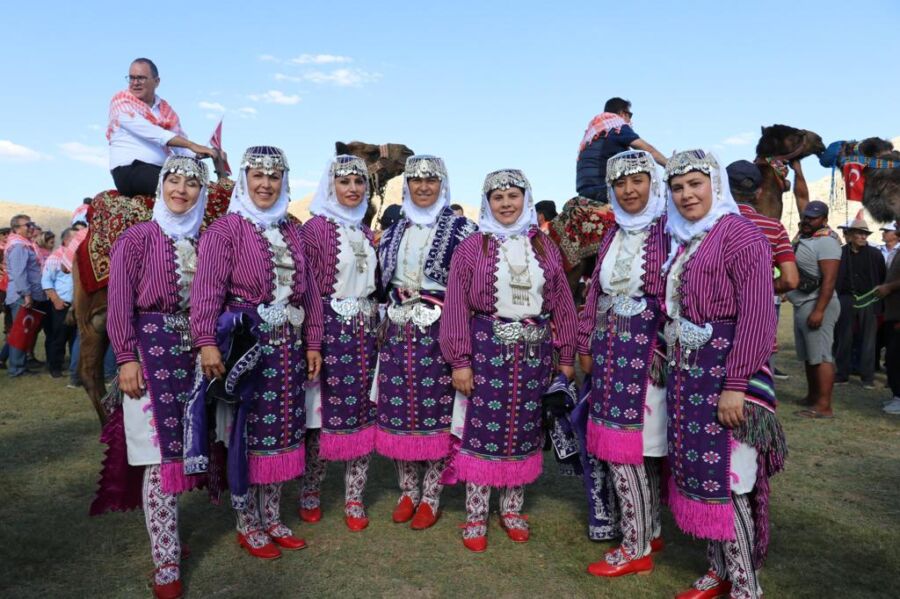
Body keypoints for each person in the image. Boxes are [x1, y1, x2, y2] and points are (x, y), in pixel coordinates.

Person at [662, 150, 785, 599]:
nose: (686, 194)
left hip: (725, 376)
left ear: (716, 184)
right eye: (677, 188)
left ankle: (746, 586)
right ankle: (719, 569)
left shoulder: (741, 235)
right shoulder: (687, 238)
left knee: (731, 479)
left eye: (695, 184)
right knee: (701, 476)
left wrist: (735, 386)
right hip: (690, 377)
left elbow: (757, 318)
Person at [190, 146, 323, 559]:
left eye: (274, 176)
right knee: (245, 434)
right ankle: (248, 522)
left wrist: (314, 341)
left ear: (285, 181)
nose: (266, 184)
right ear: (245, 179)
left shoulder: (293, 231)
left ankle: (274, 516)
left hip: (288, 347)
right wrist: (206, 342)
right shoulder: (226, 230)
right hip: (247, 347)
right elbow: (207, 289)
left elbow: (311, 292)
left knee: (283, 433)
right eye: (258, 176)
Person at [440, 169, 577, 552]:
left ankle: (512, 509)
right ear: (487, 203)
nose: (505, 204)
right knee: (481, 433)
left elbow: (562, 304)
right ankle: (476, 515)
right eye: (497, 198)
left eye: (513, 196)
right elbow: (455, 306)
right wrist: (460, 361)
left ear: (525, 199)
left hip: (534, 356)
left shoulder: (546, 248)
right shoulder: (471, 249)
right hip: (486, 352)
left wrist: (565, 358)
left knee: (524, 432)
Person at [98, 156, 211, 599]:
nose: (182, 190)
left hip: (194, 358)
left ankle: (169, 537)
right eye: (175, 181)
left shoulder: (204, 242)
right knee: (157, 457)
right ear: (162, 186)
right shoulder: (137, 238)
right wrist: (126, 357)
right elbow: (120, 302)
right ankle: (166, 560)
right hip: (149, 353)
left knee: (185, 450)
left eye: (191, 184)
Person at [576, 150, 669, 577]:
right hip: (612, 354)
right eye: (620, 184)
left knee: (639, 451)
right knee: (626, 450)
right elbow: (596, 291)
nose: (629, 191)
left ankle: (636, 546)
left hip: (651, 358)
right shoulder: (615, 233)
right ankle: (645, 533)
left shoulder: (670, 231)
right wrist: (586, 343)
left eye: (637, 181)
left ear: (653, 183)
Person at [376, 155, 477, 529]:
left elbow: (467, 288)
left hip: (439, 332)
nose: (422, 187)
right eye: (415, 180)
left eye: (430, 180)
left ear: (442, 184)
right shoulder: (393, 230)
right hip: (398, 330)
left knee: (438, 412)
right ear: (405, 186)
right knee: (399, 410)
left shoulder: (463, 230)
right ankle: (407, 491)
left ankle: (431, 496)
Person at [298, 154, 379, 532]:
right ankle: (311, 491)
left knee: (362, 415)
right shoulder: (314, 229)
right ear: (330, 185)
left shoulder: (365, 232)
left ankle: (354, 496)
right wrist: (312, 339)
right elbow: (307, 290)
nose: (352, 189)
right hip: (328, 332)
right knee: (319, 416)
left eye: (358, 182)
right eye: (344, 182)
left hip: (365, 335)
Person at [727, 160, 799, 379]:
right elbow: (790, 280)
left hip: (713, 330)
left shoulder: (709, 224)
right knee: (755, 400)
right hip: (758, 329)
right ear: (758, 193)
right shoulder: (774, 227)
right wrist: (761, 288)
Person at [108, 58, 218, 197]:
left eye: (141, 78)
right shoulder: (121, 101)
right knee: (178, 189)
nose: (135, 83)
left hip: (164, 169)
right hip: (131, 170)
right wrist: (192, 145)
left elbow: (181, 149)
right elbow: (154, 133)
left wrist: (207, 153)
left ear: (156, 81)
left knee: (205, 191)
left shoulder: (164, 109)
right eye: (132, 78)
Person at [787, 200, 841, 418]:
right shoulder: (804, 237)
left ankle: (823, 406)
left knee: (822, 354)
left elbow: (829, 280)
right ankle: (813, 397)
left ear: (824, 220)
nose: (807, 220)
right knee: (810, 355)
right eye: (806, 216)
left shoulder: (827, 242)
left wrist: (819, 310)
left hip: (818, 303)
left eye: (813, 218)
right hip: (803, 302)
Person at [576, 97, 667, 203]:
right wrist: (668, 163)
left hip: (584, 191)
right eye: (630, 115)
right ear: (622, 113)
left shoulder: (594, 132)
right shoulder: (616, 126)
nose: (630, 120)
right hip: (602, 189)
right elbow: (647, 150)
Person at [834, 219, 886, 389]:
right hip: (846, 299)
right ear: (849, 235)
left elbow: (881, 277)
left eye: (865, 234)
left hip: (869, 300)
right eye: (859, 233)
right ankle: (842, 374)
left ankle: (867, 377)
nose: (863, 236)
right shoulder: (840, 253)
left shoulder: (875, 255)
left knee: (869, 340)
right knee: (844, 338)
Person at [4, 214, 47, 377]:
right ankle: (16, 368)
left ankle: (20, 364)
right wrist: (27, 294)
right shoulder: (19, 247)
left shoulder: (25, 245)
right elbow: (19, 273)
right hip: (21, 295)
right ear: (16, 229)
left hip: (27, 294)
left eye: (32, 224)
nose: (31, 227)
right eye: (27, 225)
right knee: (20, 332)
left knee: (24, 331)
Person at [41, 228, 76, 378]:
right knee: (59, 337)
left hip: (77, 305)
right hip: (62, 304)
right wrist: (56, 300)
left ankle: (75, 366)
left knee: (75, 338)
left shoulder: (79, 256)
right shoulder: (56, 257)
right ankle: (55, 367)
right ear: (67, 240)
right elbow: (46, 280)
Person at [877, 218, 900, 414]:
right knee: (892, 356)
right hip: (892, 311)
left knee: (896, 356)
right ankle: (896, 395)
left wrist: (888, 287)